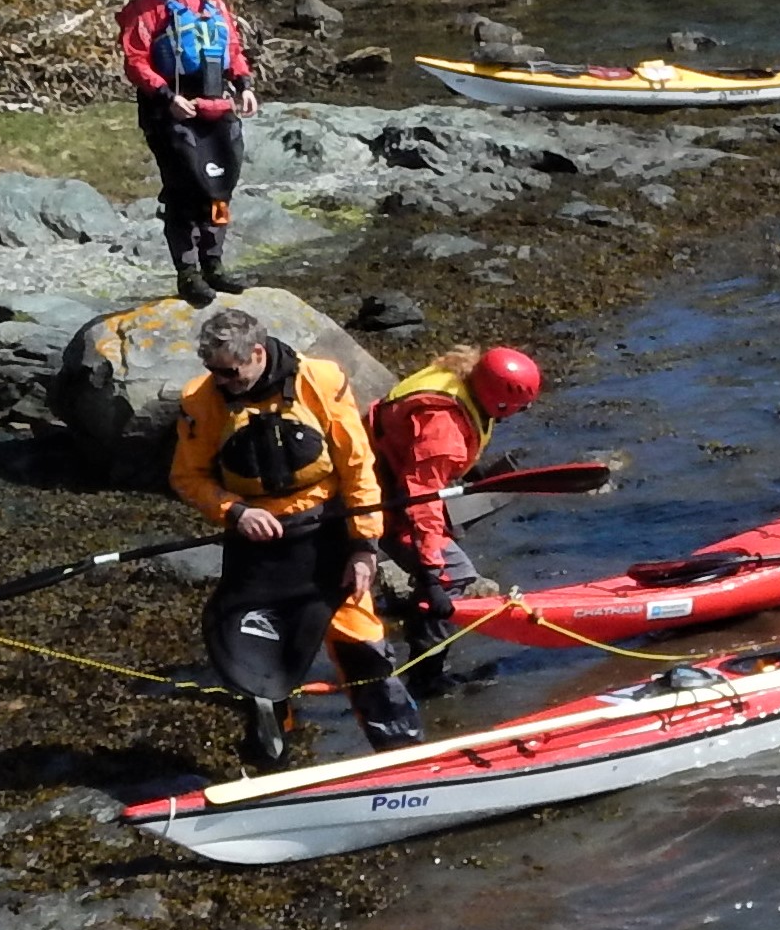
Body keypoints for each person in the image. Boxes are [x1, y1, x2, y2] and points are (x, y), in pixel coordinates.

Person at [170, 309, 413, 768]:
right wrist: (235, 511)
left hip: (326, 538)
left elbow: (358, 467)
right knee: (254, 658)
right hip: (257, 549)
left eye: (230, 371)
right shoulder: (202, 400)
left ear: (257, 353)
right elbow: (187, 477)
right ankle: (272, 759)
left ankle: (400, 751)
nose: (221, 381)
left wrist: (364, 547)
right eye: (213, 372)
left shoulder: (319, 381)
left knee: (362, 647)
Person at [367, 345, 539, 697]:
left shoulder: (462, 374)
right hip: (378, 502)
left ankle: (422, 651)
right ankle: (425, 678)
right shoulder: (444, 434)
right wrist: (432, 574)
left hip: (390, 477)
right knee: (453, 576)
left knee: (446, 554)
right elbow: (421, 500)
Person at [117, 0, 259, 308]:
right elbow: (135, 62)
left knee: (219, 184)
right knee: (184, 188)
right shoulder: (146, 8)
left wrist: (244, 84)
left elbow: (231, 46)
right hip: (171, 110)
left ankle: (214, 264)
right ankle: (188, 272)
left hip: (214, 105)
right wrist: (167, 97)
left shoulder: (211, 1)